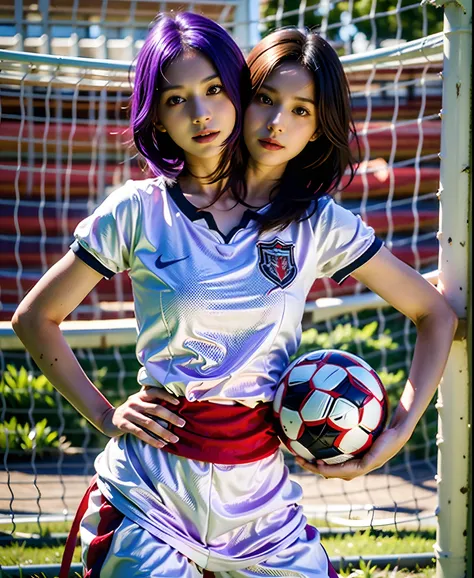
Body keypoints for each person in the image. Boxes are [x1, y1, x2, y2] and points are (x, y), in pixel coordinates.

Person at [11, 17, 457, 578]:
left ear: (320, 127)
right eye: (265, 99)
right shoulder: (140, 210)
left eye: (302, 110)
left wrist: (398, 431)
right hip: (153, 490)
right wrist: (104, 414)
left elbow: (433, 311)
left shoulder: (318, 223)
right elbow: (35, 317)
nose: (275, 121)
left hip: (260, 497)